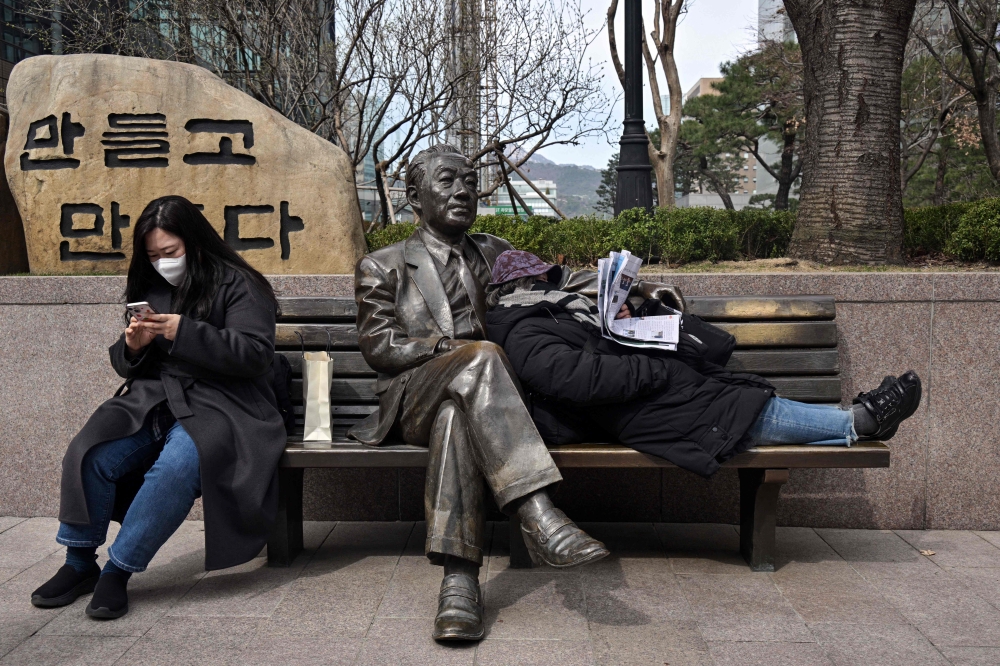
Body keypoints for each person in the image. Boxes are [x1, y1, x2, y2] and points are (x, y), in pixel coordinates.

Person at [352, 144, 695, 642]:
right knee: (480, 359)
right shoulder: (381, 266)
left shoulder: (494, 251)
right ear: (413, 195)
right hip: (414, 397)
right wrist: (456, 349)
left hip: (479, 405)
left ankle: (459, 585)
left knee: (458, 417)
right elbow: (380, 347)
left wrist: (637, 288)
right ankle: (538, 513)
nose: (463, 191)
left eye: (470, 181)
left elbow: (559, 279)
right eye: (448, 181)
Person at [30, 196, 287, 620]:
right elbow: (126, 362)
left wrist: (185, 331)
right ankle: (78, 564)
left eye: (170, 252)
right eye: (153, 255)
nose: (162, 262)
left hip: (225, 403)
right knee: (90, 450)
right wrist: (132, 346)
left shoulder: (241, 283)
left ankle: (117, 570)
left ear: (196, 242)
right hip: (155, 397)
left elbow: (255, 354)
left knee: (179, 466)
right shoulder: (149, 285)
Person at [484, 250, 922, 477]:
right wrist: (655, 370)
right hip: (625, 411)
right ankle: (861, 421)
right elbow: (575, 379)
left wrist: (629, 322)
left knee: (738, 403)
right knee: (738, 414)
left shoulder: (553, 315)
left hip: (638, 401)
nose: (556, 284)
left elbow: (593, 363)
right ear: (526, 285)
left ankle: (854, 420)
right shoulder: (523, 328)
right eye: (548, 279)